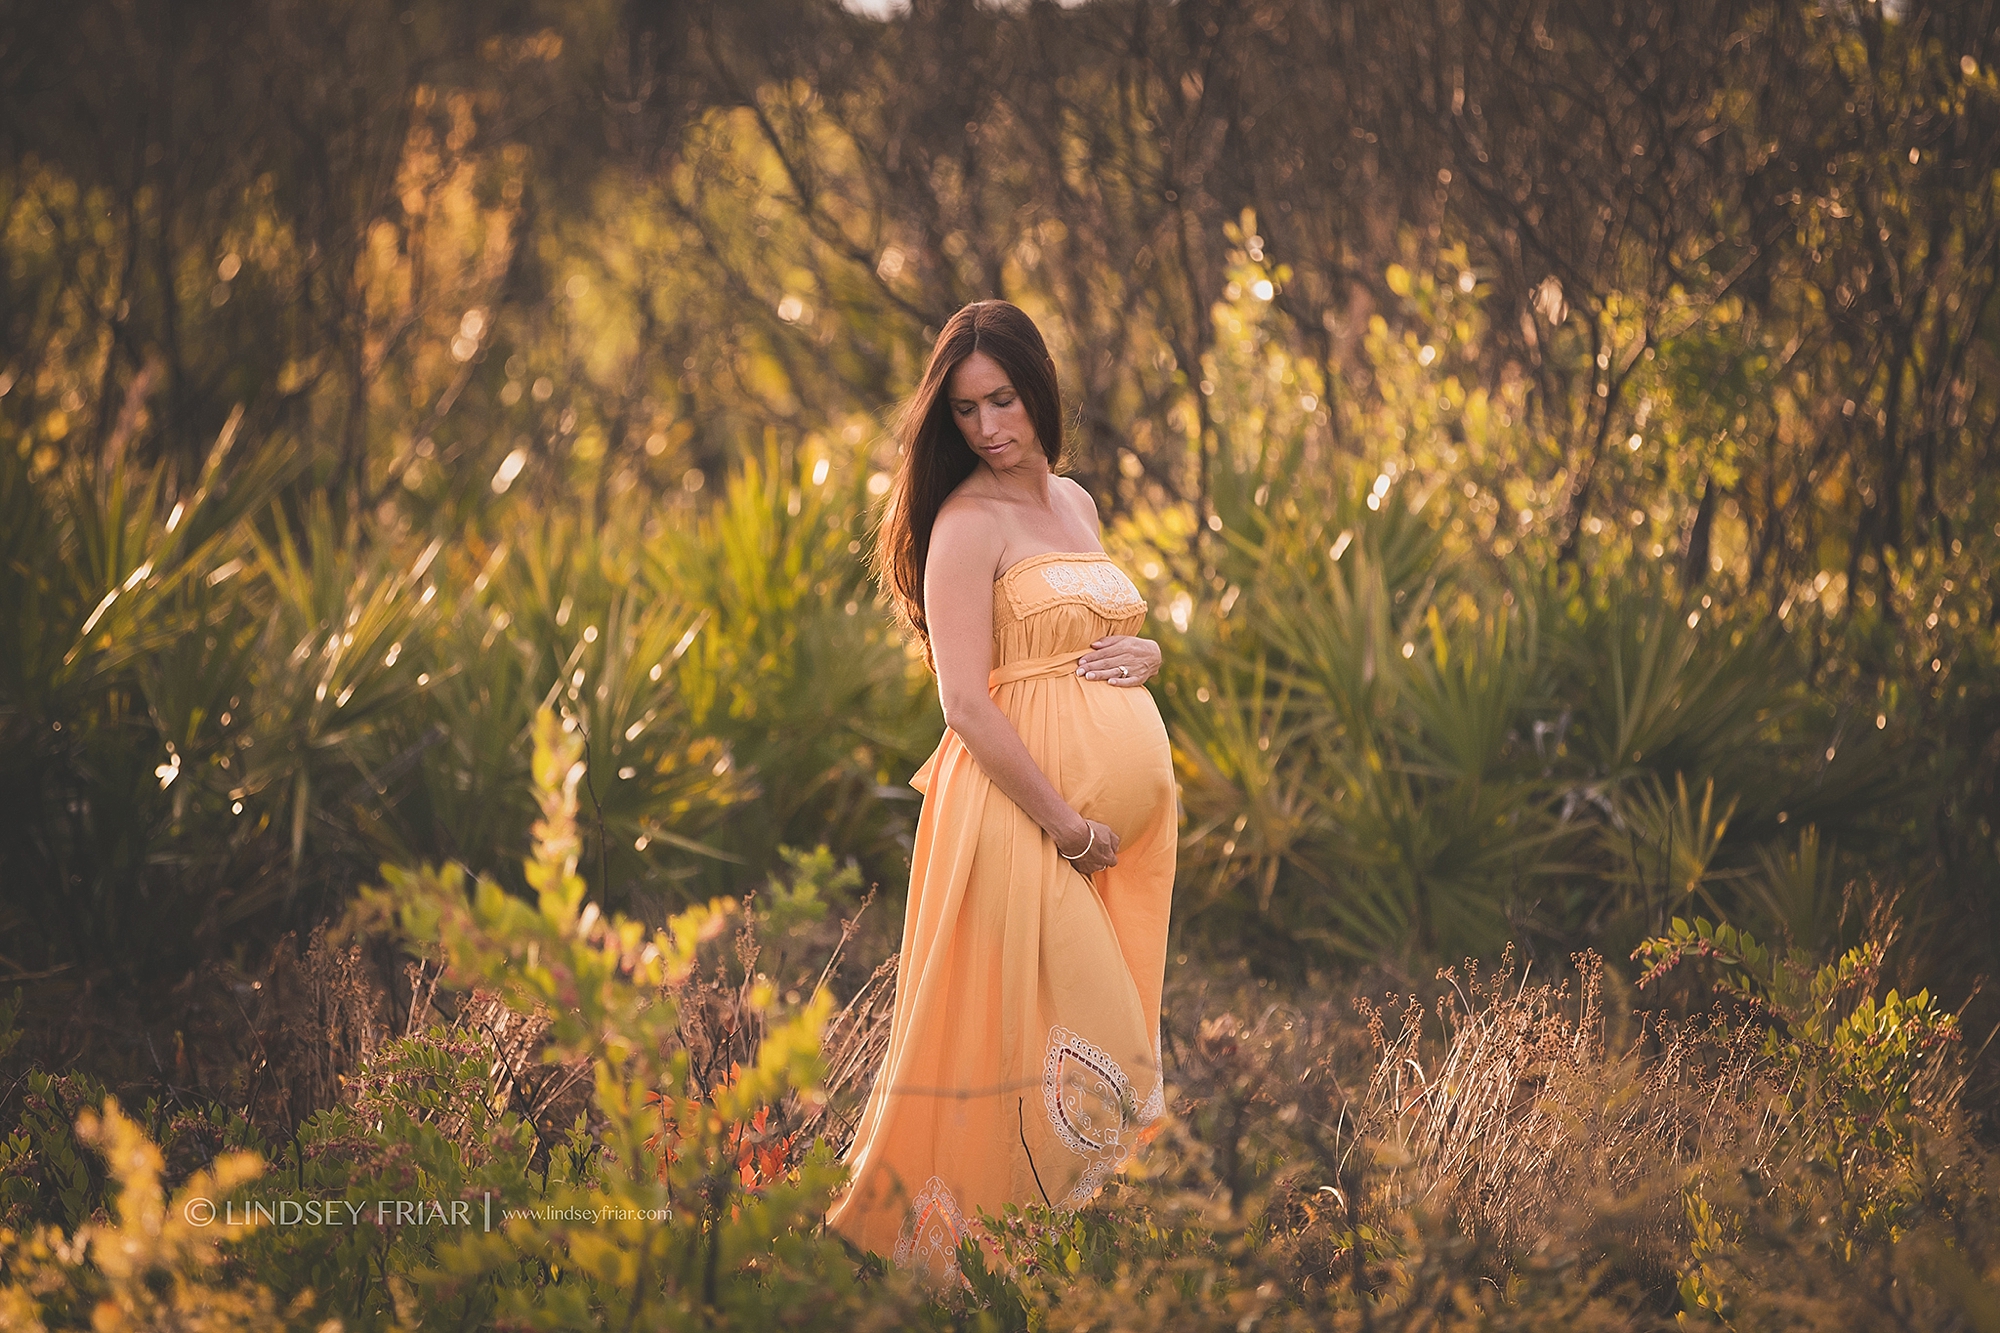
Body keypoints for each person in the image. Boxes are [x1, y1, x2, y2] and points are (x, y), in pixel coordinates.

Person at [824, 299, 1177, 1284]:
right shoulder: (962, 522)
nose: (988, 427)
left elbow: (1080, 643)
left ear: (1038, 392)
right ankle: (972, 1263)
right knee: (1095, 1043)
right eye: (968, 410)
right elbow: (967, 703)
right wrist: (1064, 823)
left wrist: (1145, 651)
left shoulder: (1075, 505)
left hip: (1093, 834)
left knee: (1038, 1041)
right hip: (1015, 816)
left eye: (1004, 400)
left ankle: (1035, 1271)